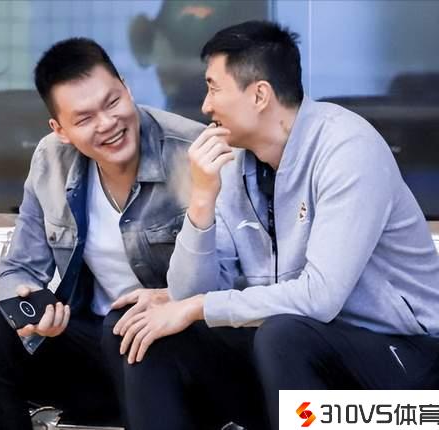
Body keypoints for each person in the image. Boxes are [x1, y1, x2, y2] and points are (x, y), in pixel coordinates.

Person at [114, 20, 439, 430]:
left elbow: (319, 298)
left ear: (260, 95)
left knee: (282, 335)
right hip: (300, 361)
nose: (205, 106)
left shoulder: (347, 149)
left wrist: (197, 307)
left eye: (214, 88)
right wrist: (201, 200)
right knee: (147, 333)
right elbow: (189, 293)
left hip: (408, 362)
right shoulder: (233, 164)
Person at [0, 37, 204, 430]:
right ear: (61, 129)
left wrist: (175, 298)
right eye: (84, 119)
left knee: (125, 326)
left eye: (113, 102)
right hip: (94, 346)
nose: (107, 124)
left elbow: (235, 275)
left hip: (177, 353)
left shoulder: (190, 152)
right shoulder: (51, 158)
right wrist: (32, 311)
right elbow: (19, 269)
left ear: (127, 88)